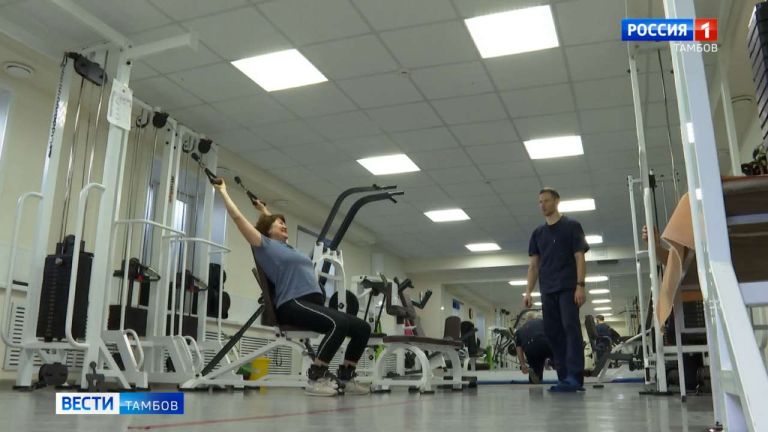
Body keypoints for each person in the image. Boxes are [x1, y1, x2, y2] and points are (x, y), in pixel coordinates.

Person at [213, 178, 371, 396]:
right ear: (268, 231)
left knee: (363, 328)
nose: (284, 225)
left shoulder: (287, 248)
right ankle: (316, 378)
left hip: (311, 304)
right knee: (339, 323)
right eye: (280, 224)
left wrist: (263, 209)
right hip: (292, 303)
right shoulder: (264, 245)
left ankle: (346, 375)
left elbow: (271, 222)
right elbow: (238, 218)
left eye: (284, 223)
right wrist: (223, 191)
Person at [524, 188, 589, 392]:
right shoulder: (538, 233)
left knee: (570, 329)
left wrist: (580, 285)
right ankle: (563, 377)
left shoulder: (572, 226)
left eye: (546, 201)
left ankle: (575, 377)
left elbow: (580, 257)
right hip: (548, 290)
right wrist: (528, 291)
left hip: (568, 287)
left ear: (557, 201)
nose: (542, 205)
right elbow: (533, 266)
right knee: (553, 333)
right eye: (540, 201)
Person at [514, 313, 553, 384]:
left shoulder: (519, 330)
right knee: (557, 357)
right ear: (535, 318)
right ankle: (550, 362)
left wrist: (522, 365)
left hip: (530, 349)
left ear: (526, 320)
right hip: (544, 342)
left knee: (535, 368)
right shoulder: (541, 322)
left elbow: (519, 349)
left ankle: (536, 375)